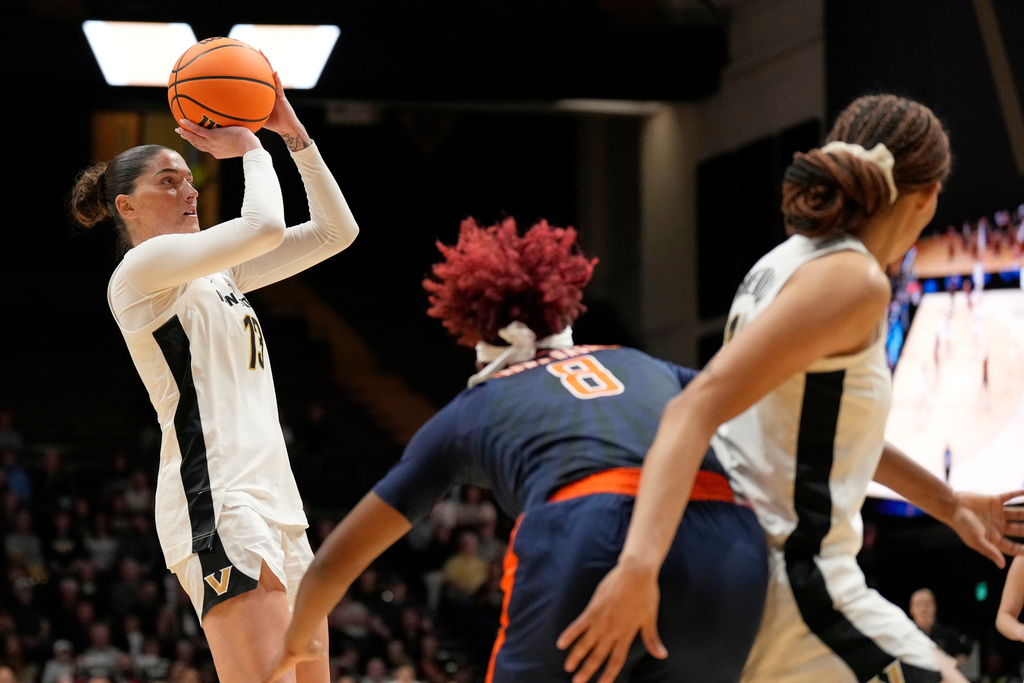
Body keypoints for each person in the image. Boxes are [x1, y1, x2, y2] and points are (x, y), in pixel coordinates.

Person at [557, 93, 1024, 683]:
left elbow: (814, 433)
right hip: (798, 581)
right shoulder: (853, 281)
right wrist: (636, 569)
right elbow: (692, 409)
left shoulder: (783, 263)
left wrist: (950, 503)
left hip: (754, 571)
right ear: (928, 197)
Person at [263, 218, 769, 682]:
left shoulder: (477, 404)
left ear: (475, 331)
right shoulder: (646, 363)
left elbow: (336, 561)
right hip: (729, 540)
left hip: (590, 528)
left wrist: (297, 639)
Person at [68, 71, 360, 683]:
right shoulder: (140, 271)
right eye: (168, 181)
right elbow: (263, 227)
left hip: (279, 505)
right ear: (127, 206)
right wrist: (250, 146)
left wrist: (294, 136)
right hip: (218, 500)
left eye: (190, 176)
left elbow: (337, 232)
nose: (190, 189)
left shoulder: (221, 276)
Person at [908, 589, 972, 670]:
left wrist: (954, 665)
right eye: (918, 605)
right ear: (911, 609)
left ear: (934, 607)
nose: (923, 609)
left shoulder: (947, 634)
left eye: (927, 604)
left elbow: (967, 646)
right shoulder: (906, 637)